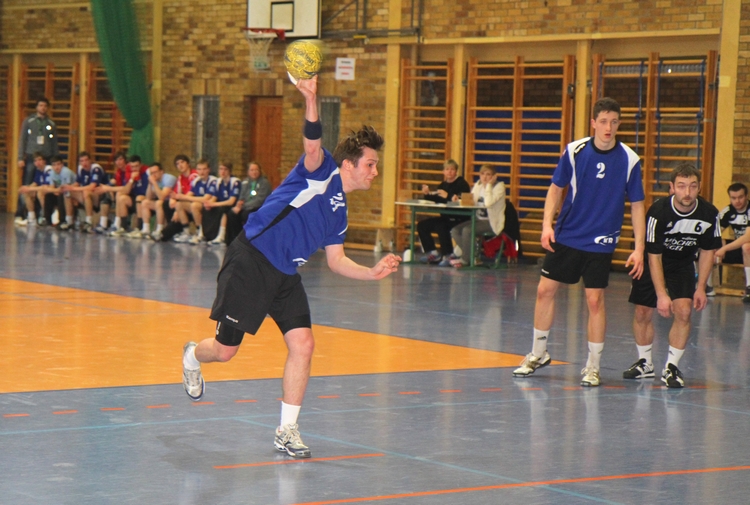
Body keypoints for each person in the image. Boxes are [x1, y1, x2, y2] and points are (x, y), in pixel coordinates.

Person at [181, 75, 401, 459]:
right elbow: (312, 141)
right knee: (225, 351)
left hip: (285, 275)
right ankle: (190, 355)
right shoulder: (321, 170)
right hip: (251, 261)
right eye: (370, 164)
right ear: (348, 164)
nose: (374, 172)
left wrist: (371, 272)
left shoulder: (340, 213)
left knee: (304, 344)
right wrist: (310, 98)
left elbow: (336, 260)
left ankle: (287, 430)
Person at [512, 97, 646, 387]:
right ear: (593, 123)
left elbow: (637, 205)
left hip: (601, 241)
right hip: (569, 234)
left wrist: (639, 248)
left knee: (594, 300)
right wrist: (546, 225)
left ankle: (593, 366)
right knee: (544, 290)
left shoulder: (629, 159)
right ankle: (538, 353)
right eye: (603, 121)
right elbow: (555, 189)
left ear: (619, 124)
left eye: (614, 122)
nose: (608, 127)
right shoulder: (575, 151)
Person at [624, 164, 722, 388]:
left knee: (684, 311)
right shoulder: (658, 212)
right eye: (681, 186)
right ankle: (645, 363)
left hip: (682, 264)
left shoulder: (709, 214)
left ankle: (672, 366)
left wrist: (701, 287)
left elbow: (708, 252)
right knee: (642, 311)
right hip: (654, 262)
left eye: (692, 186)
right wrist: (661, 294)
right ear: (672, 188)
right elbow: (654, 256)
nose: (687, 192)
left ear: (699, 187)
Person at [448, 164, 506, 268]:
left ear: (494, 176)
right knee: (455, 230)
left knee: (467, 230)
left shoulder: (499, 187)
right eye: (482, 174)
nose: (485, 177)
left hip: (491, 222)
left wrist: (489, 186)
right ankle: (473, 255)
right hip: (478, 220)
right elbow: (471, 202)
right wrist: (459, 200)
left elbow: (488, 203)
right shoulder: (478, 185)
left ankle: (466, 259)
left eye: (488, 174)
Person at [417, 159, 471, 265]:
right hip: (446, 217)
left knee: (441, 227)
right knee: (422, 225)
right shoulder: (442, 185)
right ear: (443, 172)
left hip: (459, 218)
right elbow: (438, 199)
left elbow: (461, 200)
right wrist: (427, 194)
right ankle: (432, 252)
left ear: (456, 171)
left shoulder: (462, 184)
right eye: (447, 169)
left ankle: (448, 254)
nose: (449, 172)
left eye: (452, 169)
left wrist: (448, 196)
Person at [15, 97, 58, 223]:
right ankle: (21, 213)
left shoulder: (51, 124)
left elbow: (54, 142)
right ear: (36, 107)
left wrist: (55, 160)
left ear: (47, 108)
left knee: (44, 186)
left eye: (45, 106)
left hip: (46, 158)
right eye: (40, 105)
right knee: (27, 185)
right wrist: (20, 157)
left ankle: (42, 214)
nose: (43, 108)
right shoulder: (29, 121)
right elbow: (22, 139)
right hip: (31, 157)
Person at [713, 182, 750, 302]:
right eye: (733, 198)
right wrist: (719, 244)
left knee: (746, 246)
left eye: (740, 197)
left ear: (746, 196)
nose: (737, 201)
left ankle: (749, 287)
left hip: (747, 247)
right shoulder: (728, 210)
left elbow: (747, 237)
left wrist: (724, 248)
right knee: (712, 245)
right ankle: (706, 286)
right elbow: (714, 232)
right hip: (739, 249)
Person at [170, 159, 217, 244]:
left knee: (194, 205)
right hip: (200, 204)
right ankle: (186, 232)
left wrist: (185, 197)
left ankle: (200, 233)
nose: (202, 172)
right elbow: (189, 195)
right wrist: (178, 197)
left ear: (209, 170)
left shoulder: (213, 181)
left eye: (204, 169)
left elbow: (205, 199)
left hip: (211, 206)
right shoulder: (196, 181)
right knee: (179, 204)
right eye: (199, 169)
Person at [225, 161, 272, 244]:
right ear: (248, 172)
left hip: (258, 207)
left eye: (256, 170)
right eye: (252, 170)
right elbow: (242, 196)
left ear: (260, 171)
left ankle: (249, 239)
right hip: (245, 206)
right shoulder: (245, 182)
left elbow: (259, 200)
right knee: (232, 213)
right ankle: (234, 239)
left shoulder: (264, 183)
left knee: (246, 214)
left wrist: (243, 206)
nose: (254, 172)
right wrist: (238, 205)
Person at [129, 163, 176, 239]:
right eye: (151, 173)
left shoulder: (169, 178)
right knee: (145, 202)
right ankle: (146, 229)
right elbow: (148, 197)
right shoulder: (154, 180)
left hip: (171, 203)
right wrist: (150, 184)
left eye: (155, 172)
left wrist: (154, 183)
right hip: (161, 202)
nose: (153, 175)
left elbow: (162, 197)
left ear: (161, 172)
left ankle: (160, 229)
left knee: (159, 203)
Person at [64, 152, 105, 233]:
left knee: (86, 192)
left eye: (86, 160)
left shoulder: (96, 169)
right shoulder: (81, 169)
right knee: (67, 192)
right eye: (82, 161)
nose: (84, 163)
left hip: (99, 196)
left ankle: (88, 222)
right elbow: (77, 183)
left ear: (90, 161)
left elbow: (92, 186)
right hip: (85, 196)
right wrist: (69, 187)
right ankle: (69, 221)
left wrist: (74, 188)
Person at [202, 161, 240, 245]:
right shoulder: (218, 181)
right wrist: (209, 203)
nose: (223, 171)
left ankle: (221, 236)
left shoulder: (235, 182)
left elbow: (231, 201)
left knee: (223, 210)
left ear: (230, 171)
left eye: (225, 169)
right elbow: (215, 197)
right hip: (221, 204)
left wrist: (214, 204)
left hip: (231, 206)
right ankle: (207, 235)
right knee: (206, 209)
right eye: (221, 169)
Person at [37, 155, 76, 230]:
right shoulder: (52, 173)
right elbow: (51, 188)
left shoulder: (66, 172)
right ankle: (47, 220)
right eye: (54, 165)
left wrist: (56, 190)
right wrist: (55, 191)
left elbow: (65, 188)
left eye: (58, 164)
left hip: (71, 194)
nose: (56, 167)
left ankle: (62, 221)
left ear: (62, 165)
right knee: (48, 196)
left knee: (62, 196)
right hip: (59, 191)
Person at [15, 152, 50, 227]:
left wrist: (30, 188)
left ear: (44, 161)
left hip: (53, 192)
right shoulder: (38, 170)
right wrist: (26, 188)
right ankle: (31, 218)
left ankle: (46, 216)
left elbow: (46, 187)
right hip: (43, 190)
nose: (37, 162)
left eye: (39, 160)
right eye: (35, 160)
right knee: (27, 192)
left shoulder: (48, 169)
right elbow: (35, 183)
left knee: (40, 193)